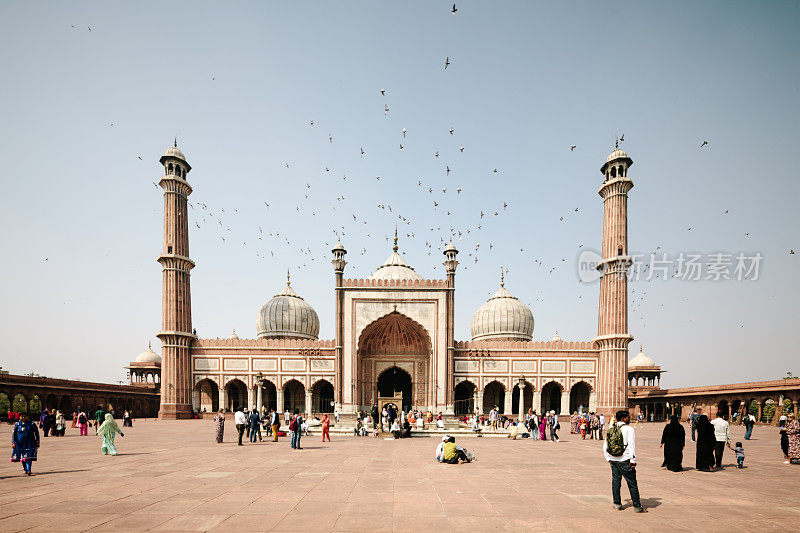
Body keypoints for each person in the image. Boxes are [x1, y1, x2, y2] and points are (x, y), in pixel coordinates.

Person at [604, 410, 645, 513]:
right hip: (625, 460)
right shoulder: (629, 429)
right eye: (628, 417)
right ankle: (637, 506)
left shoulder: (612, 428)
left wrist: (608, 458)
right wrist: (633, 460)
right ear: (623, 418)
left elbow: (605, 445)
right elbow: (631, 445)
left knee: (616, 482)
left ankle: (617, 504)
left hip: (613, 460)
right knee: (632, 483)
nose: (629, 419)